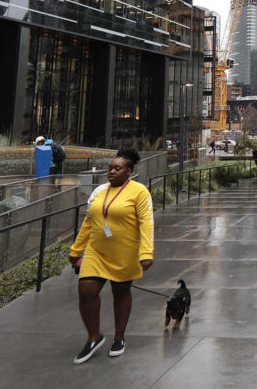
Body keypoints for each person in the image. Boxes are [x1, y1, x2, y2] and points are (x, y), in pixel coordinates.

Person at [68, 148, 154, 363]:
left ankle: (119, 337)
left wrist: (146, 252)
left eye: (117, 168)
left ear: (129, 171)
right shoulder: (99, 192)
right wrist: (76, 248)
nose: (112, 172)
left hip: (125, 252)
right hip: (97, 251)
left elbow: (146, 223)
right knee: (86, 290)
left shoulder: (139, 192)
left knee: (121, 293)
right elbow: (89, 222)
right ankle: (93, 337)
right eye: (110, 168)